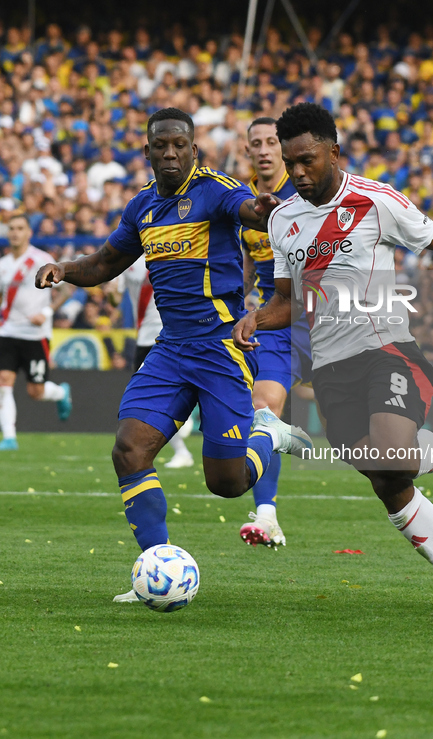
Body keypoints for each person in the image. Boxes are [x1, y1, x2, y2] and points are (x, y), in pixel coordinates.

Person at [233, 103, 433, 618]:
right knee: (388, 482)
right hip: (330, 370)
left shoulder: (375, 201)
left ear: (333, 152)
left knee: (395, 457)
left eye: (307, 160)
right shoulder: (284, 220)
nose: (297, 173)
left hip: (386, 352)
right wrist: (255, 318)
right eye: (291, 163)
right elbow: (287, 301)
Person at [36, 107, 312, 602]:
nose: (169, 153)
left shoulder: (216, 189)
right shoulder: (142, 208)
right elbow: (104, 263)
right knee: (129, 449)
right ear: (147, 151)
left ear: (193, 150)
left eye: (179, 145)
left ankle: (267, 433)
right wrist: (63, 269)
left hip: (221, 348)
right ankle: (154, 568)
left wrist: (265, 208)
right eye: (160, 145)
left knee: (226, 484)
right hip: (171, 349)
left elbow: (248, 209)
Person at [239, 117, 313, 548]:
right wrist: (240, 302)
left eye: (272, 143)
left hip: (327, 318)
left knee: (378, 439)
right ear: (249, 150)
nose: (264, 150)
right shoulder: (243, 201)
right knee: (264, 411)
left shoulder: (305, 189)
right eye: (257, 144)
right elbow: (249, 260)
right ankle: (267, 516)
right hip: (278, 319)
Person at [0, 213, 72, 450]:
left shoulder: (41, 260)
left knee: (35, 391)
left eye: (20, 228)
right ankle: (9, 437)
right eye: (11, 228)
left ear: (29, 233)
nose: (14, 232)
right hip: (8, 332)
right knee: (4, 381)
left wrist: (47, 313)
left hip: (35, 335)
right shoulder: (3, 265)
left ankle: (61, 393)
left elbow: (66, 289)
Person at [116, 255, 195, 468]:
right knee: (149, 394)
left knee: (176, 384)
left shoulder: (169, 250)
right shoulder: (126, 258)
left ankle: (187, 422)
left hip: (172, 331)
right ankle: (182, 451)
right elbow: (116, 298)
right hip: (144, 335)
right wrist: (111, 291)